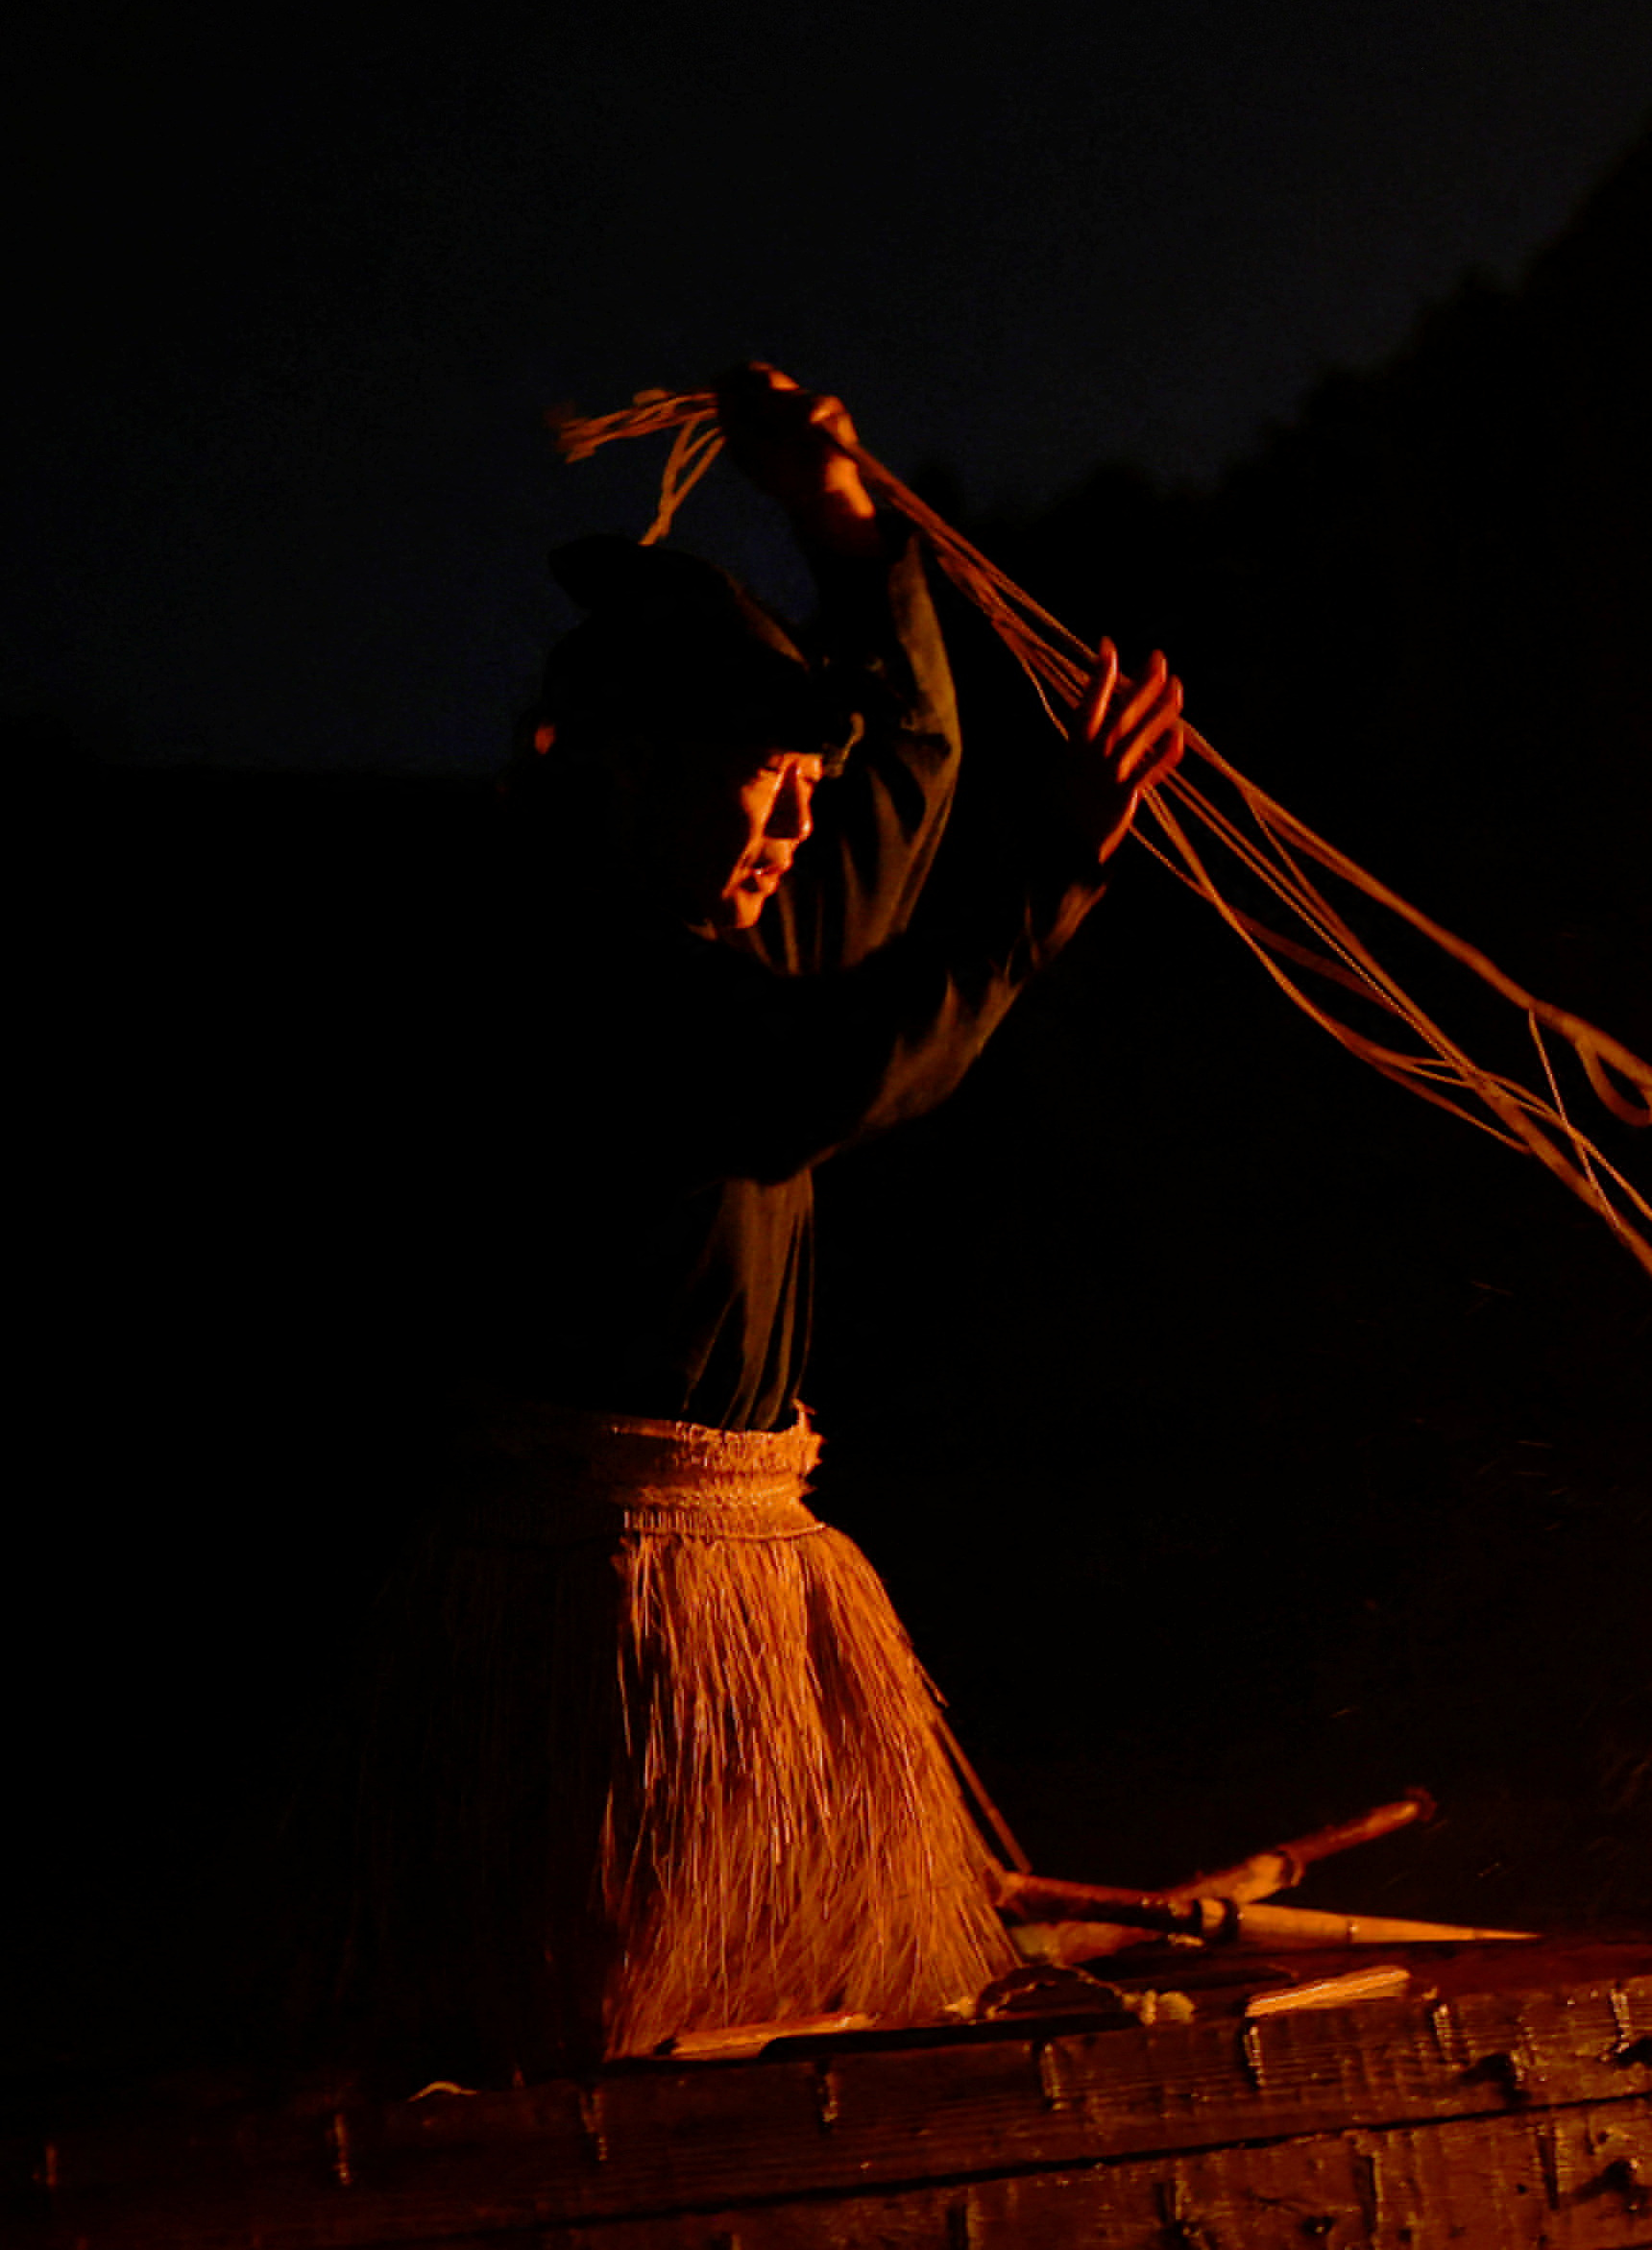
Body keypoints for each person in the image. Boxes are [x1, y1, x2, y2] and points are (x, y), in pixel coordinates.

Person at [324, 366, 1191, 2073]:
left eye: (803, 788)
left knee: (788, 2010)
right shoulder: (575, 973)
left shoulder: (740, 933)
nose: (799, 828)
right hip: (601, 1609)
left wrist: (846, 523)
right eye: (760, 783)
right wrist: (1058, 865)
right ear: (629, 773)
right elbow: (826, 1076)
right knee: (593, 2029)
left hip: (734, 1569)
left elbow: (909, 765)